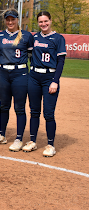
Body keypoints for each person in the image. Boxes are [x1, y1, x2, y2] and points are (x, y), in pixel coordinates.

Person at [22, 11, 66, 157]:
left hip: (49, 77)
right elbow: (29, 56)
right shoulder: (35, 37)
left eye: (46, 21)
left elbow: (60, 62)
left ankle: (50, 145)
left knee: (48, 113)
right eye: (40, 22)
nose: (43, 24)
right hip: (34, 76)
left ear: (50, 20)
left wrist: (55, 81)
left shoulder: (58, 38)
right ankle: (32, 141)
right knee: (34, 111)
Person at [0, 9, 34, 151]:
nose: (10, 22)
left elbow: (32, 58)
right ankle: (2, 135)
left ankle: (19, 138)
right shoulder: (0, 36)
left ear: (17, 20)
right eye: (8, 19)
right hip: (3, 73)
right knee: (3, 105)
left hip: (20, 73)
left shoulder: (26, 36)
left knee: (19, 107)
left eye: (13, 19)